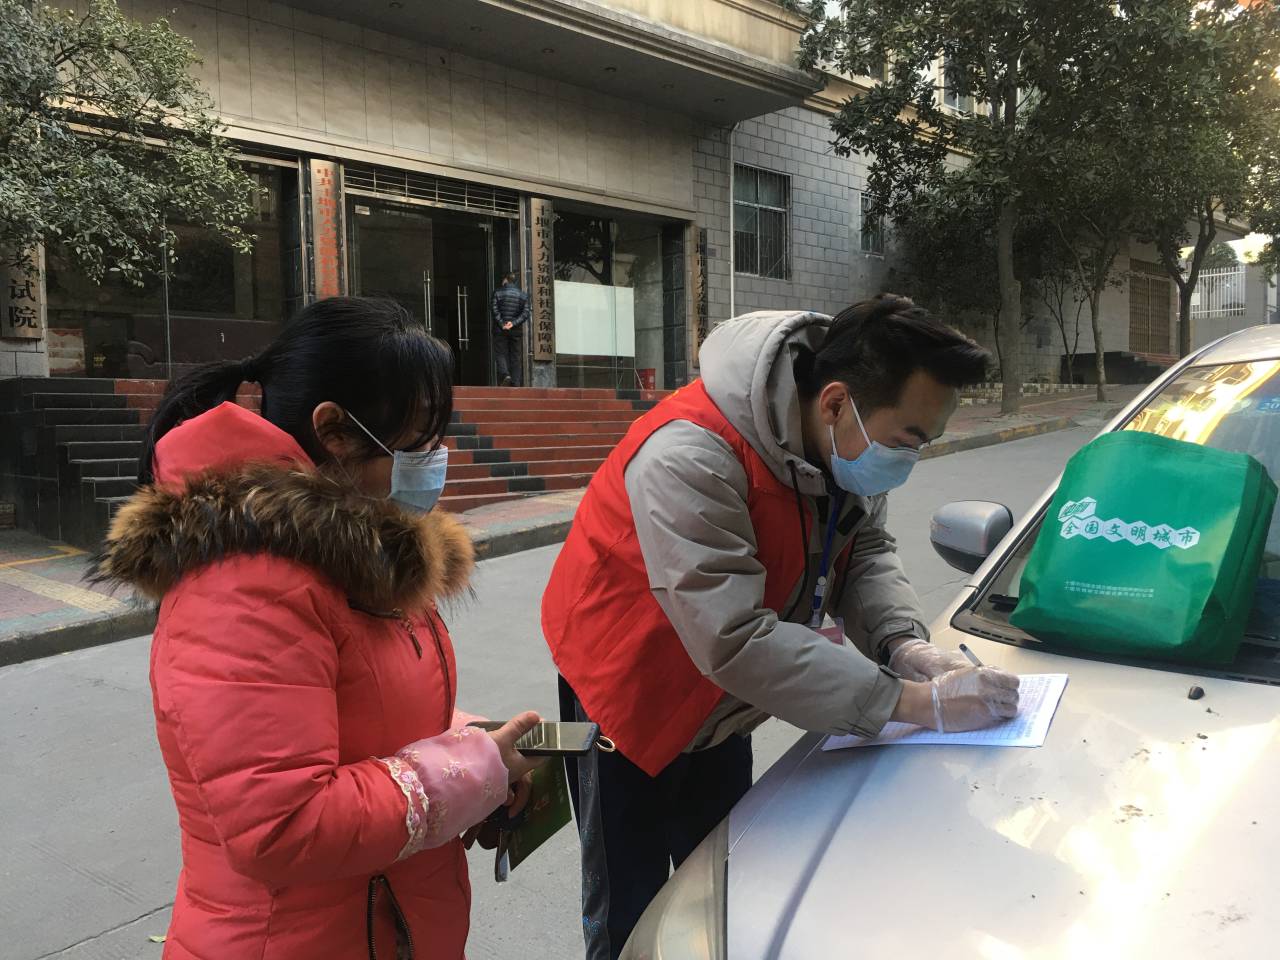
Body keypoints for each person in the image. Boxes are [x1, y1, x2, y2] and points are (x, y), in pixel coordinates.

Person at [542, 295, 1021, 959]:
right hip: (626, 696)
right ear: (835, 403)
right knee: (630, 908)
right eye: (908, 439)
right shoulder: (689, 454)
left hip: (726, 701)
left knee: (723, 892)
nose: (910, 459)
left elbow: (865, 551)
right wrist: (914, 703)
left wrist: (903, 643)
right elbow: (735, 637)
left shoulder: (843, 443)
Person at [93, 297, 544, 959]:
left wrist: (478, 749)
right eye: (416, 440)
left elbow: (365, 706)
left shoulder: (363, 548)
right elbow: (282, 825)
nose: (435, 457)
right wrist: (472, 769)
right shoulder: (246, 585)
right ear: (334, 429)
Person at [491, 272, 530, 386]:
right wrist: (513, 323)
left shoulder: (497, 292)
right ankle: (516, 382)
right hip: (516, 330)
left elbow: (494, 310)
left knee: (500, 353)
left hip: (500, 329)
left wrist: (502, 323)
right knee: (516, 356)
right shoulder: (523, 295)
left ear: (505, 280)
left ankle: (505, 374)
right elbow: (526, 313)